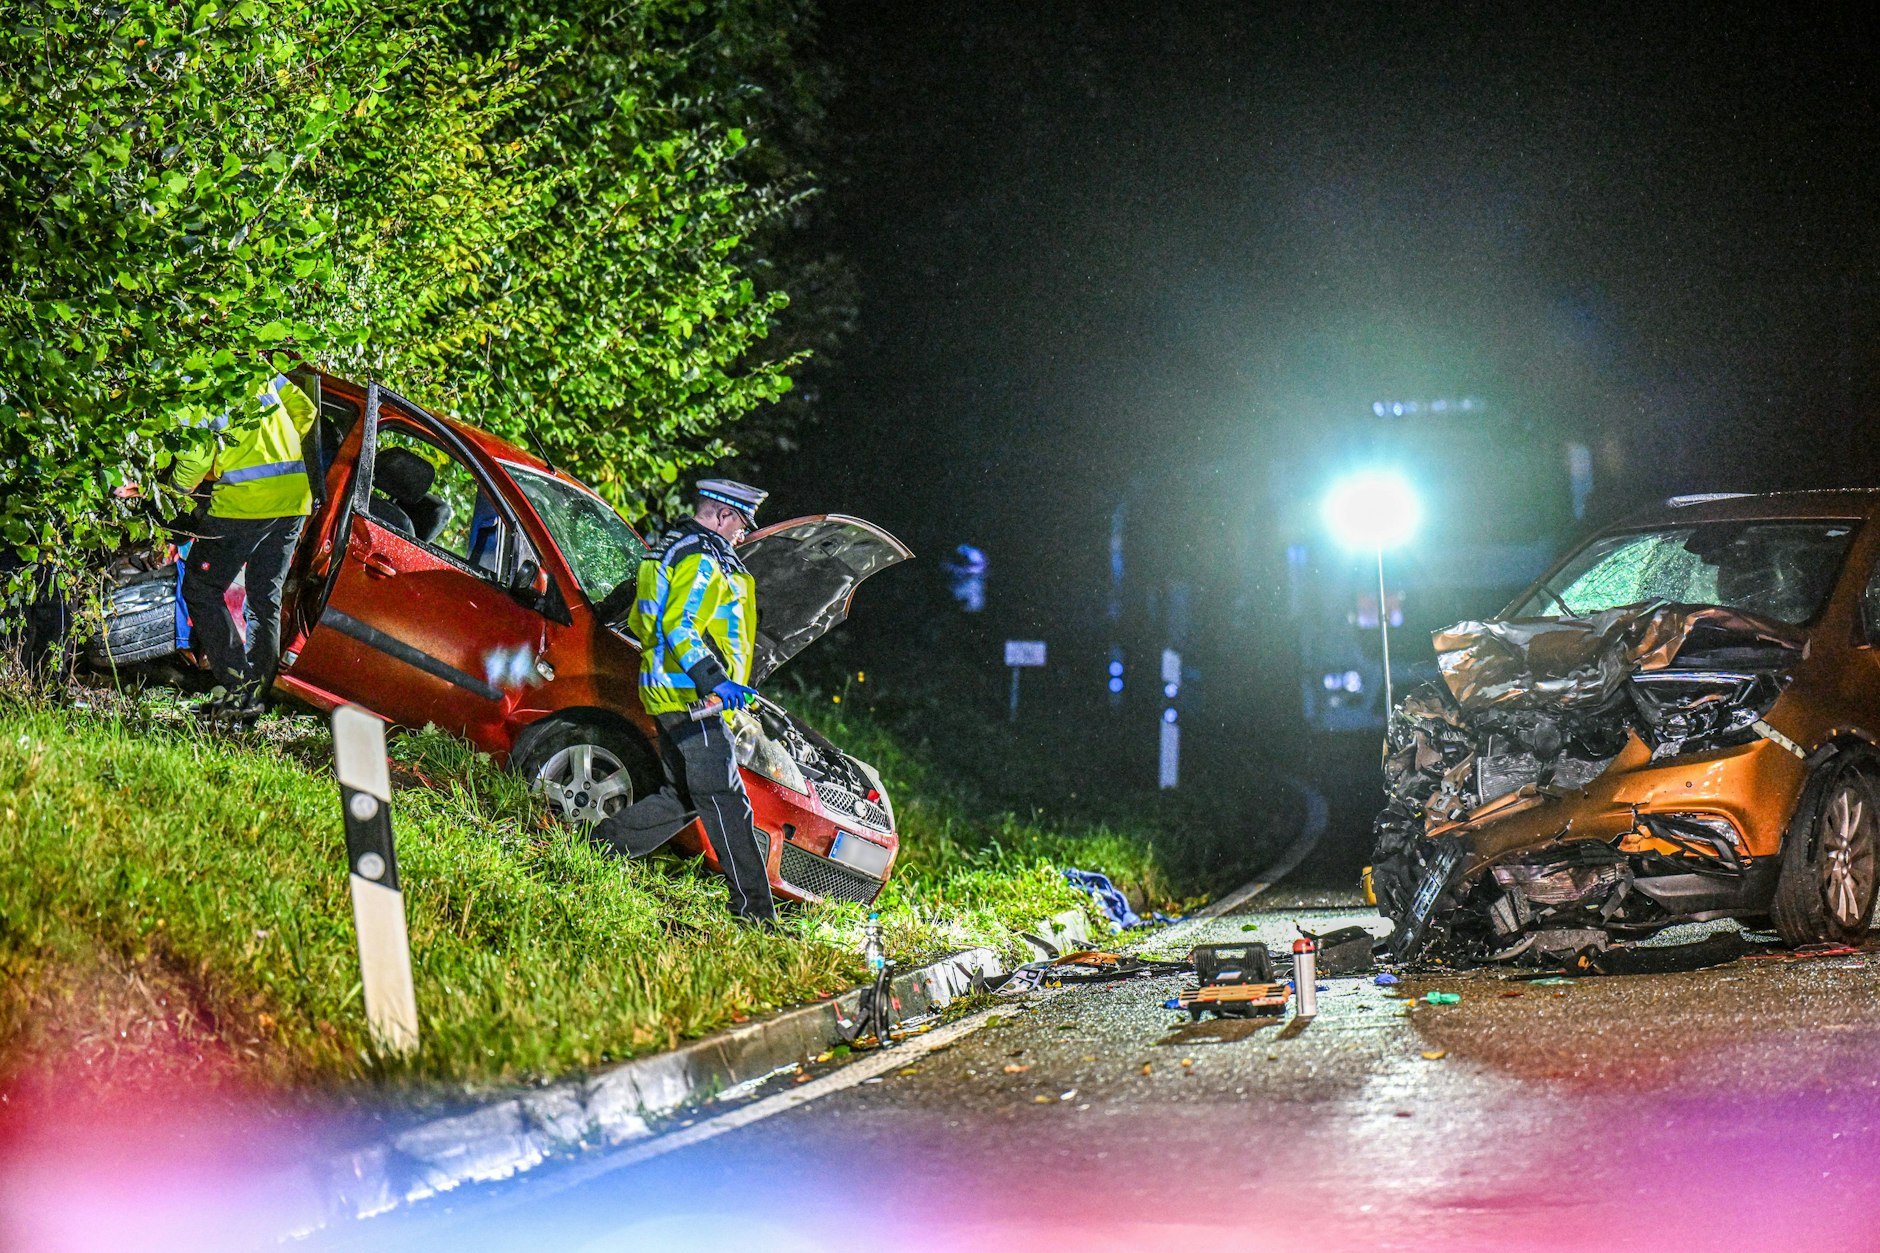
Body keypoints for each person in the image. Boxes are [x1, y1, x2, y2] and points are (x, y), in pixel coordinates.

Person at [593, 479, 777, 926]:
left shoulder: (670, 548)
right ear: (722, 514)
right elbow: (680, 625)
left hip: (669, 689)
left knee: (684, 795)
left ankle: (596, 847)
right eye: (741, 524)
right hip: (693, 695)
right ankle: (755, 915)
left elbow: (640, 616)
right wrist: (717, 682)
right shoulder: (702, 555)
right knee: (728, 800)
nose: (742, 535)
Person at [170, 373, 317, 723]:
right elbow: (306, 410)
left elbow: (195, 460)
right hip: (295, 495)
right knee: (265, 597)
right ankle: (253, 699)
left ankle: (239, 686)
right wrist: (279, 451)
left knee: (201, 588)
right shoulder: (256, 366)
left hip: (246, 501)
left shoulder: (192, 380)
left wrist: (173, 492)